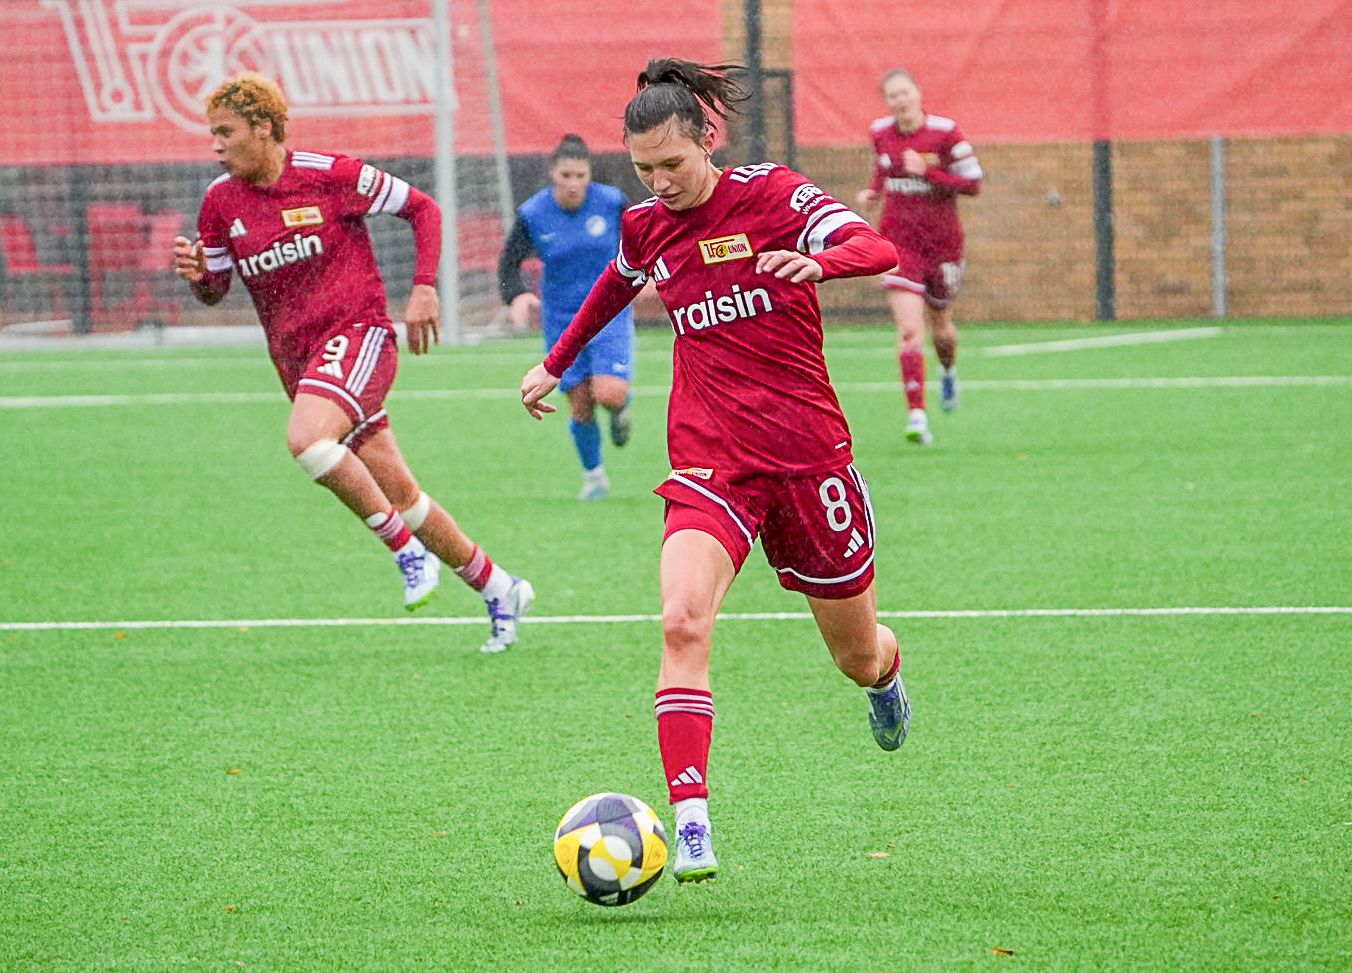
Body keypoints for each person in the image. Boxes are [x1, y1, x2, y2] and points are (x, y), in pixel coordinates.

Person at [520, 58, 911, 884]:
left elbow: (875, 247)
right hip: (710, 460)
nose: (658, 183)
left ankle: (885, 675)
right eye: (642, 169)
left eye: (671, 163)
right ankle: (691, 822)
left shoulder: (771, 194)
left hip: (809, 460)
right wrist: (555, 365)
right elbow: (609, 293)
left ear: (708, 139)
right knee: (681, 620)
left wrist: (822, 263)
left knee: (855, 654)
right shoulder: (645, 227)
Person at [172, 72, 533, 653]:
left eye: (225, 132)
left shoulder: (329, 174)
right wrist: (197, 275)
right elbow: (214, 289)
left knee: (308, 441)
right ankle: (500, 587)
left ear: (263, 127)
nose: (215, 144)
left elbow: (424, 208)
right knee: (405, 495)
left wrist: (423, 288)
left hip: (358, 337)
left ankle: (404, 552)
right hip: (300, 364)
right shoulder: (220, 202)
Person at [498, 134, 637, 501]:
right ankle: (594, 478)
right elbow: (509, 263)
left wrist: (652, 274)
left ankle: (621, 410)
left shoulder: (612, 203)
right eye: (566, 176)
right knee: (579, 401)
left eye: (580, 175)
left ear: (590, 174)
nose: (573, 183)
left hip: (610, 313)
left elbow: (644, 241)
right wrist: (517, 295)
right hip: (562, 318)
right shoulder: (533, 214)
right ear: (552, 174)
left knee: (608, 393)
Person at [855, 68, 982, 446]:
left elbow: (973, 183)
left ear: (918, 93)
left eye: (905, 92)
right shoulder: (880, 133)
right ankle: (917, 415)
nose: (900, 100)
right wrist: (873, 192)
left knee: (941, 329)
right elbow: (883, 171)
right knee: (910, 330)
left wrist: (928, 172)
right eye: (892, 95)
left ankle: (948, 372)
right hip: (898, 245)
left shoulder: (945, 133)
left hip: (942, 246)